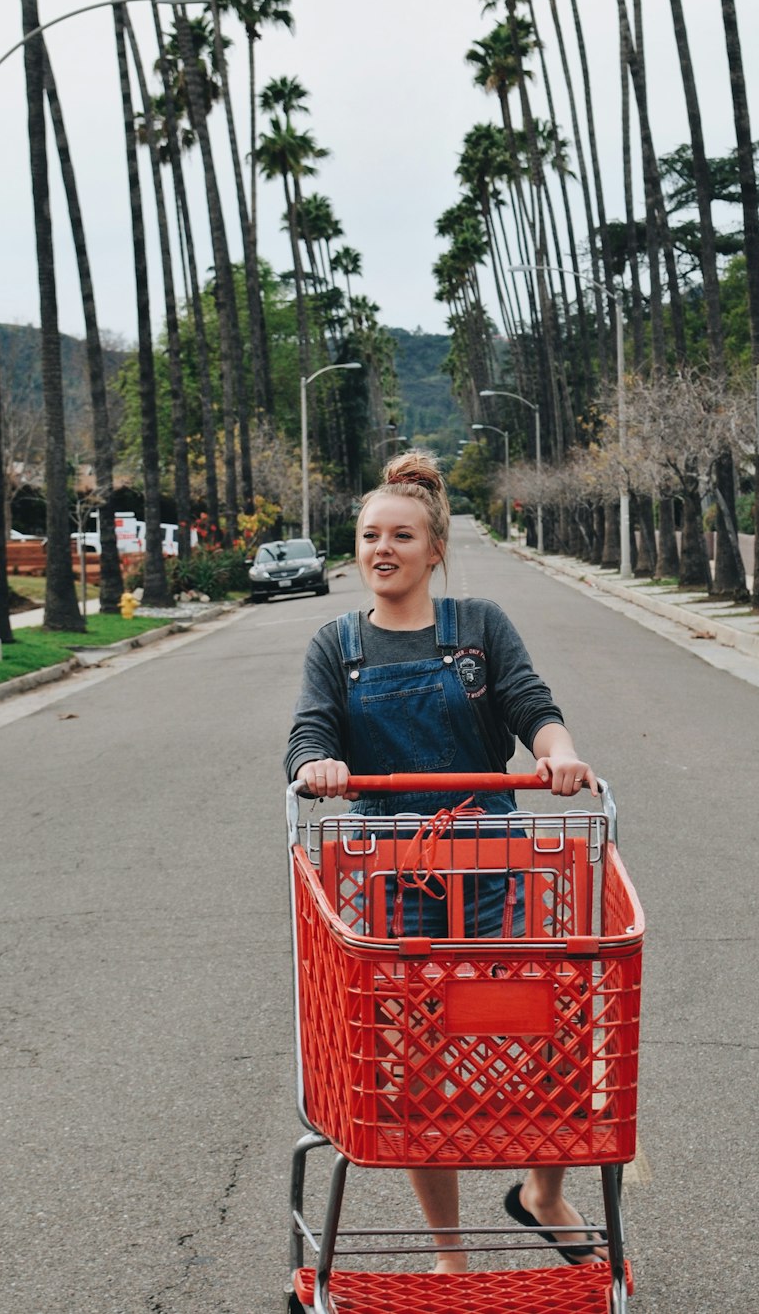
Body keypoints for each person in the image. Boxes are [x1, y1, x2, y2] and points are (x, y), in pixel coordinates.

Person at [284, 450, 605, 1273]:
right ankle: (450, 1251)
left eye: (400, 535)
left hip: (496, 864)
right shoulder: (338, 645)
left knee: (549, 1033)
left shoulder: (479, 627)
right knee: (421, 1067)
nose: (381, 548)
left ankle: (540, 1193)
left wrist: (559, 752)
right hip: (392, 879)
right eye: (368, 536)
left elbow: (531, 704)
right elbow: (311, 731)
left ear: (434, 549)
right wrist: (316, 766)